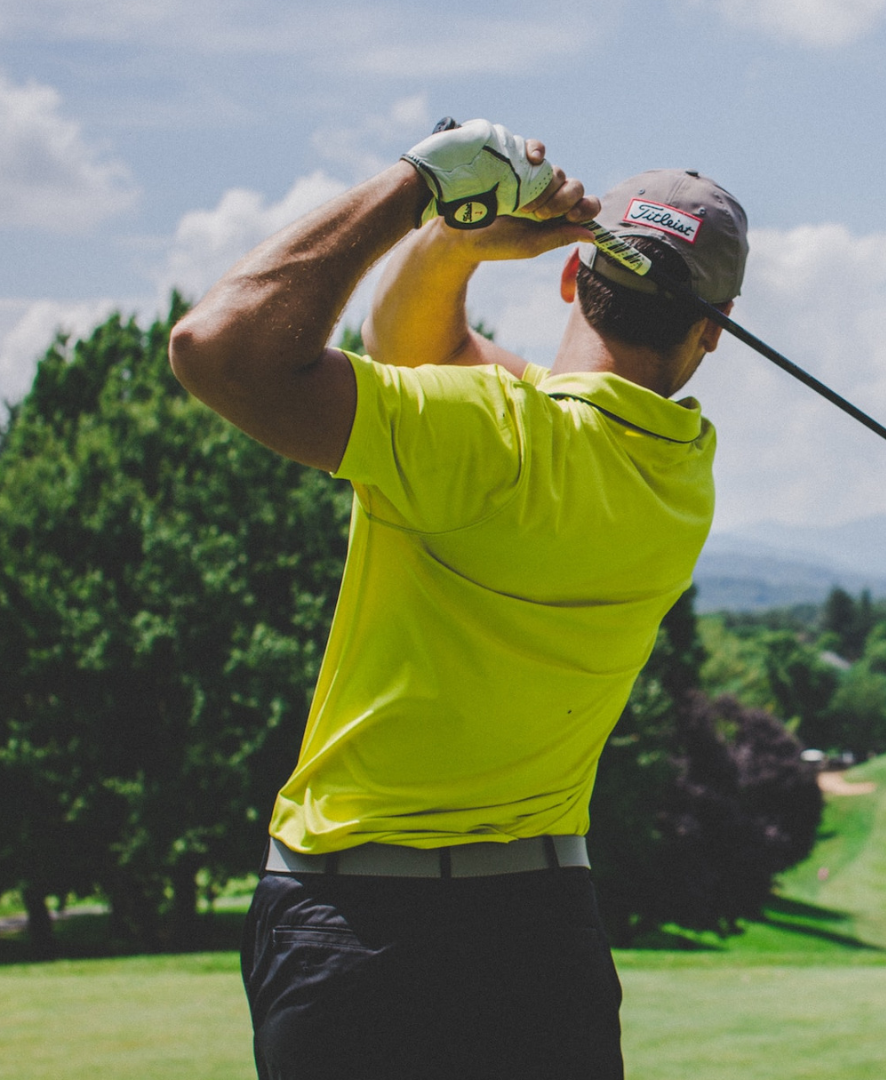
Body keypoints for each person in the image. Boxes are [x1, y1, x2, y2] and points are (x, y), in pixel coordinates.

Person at [168, 118, 748, 1079]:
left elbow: (215, 347)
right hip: (545, 940)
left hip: (354, 929)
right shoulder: (681, 482)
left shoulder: (482, 439)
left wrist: (423, 190)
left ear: (570, 276)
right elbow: (416, 350)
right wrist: (449, 245)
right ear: (712, 333)